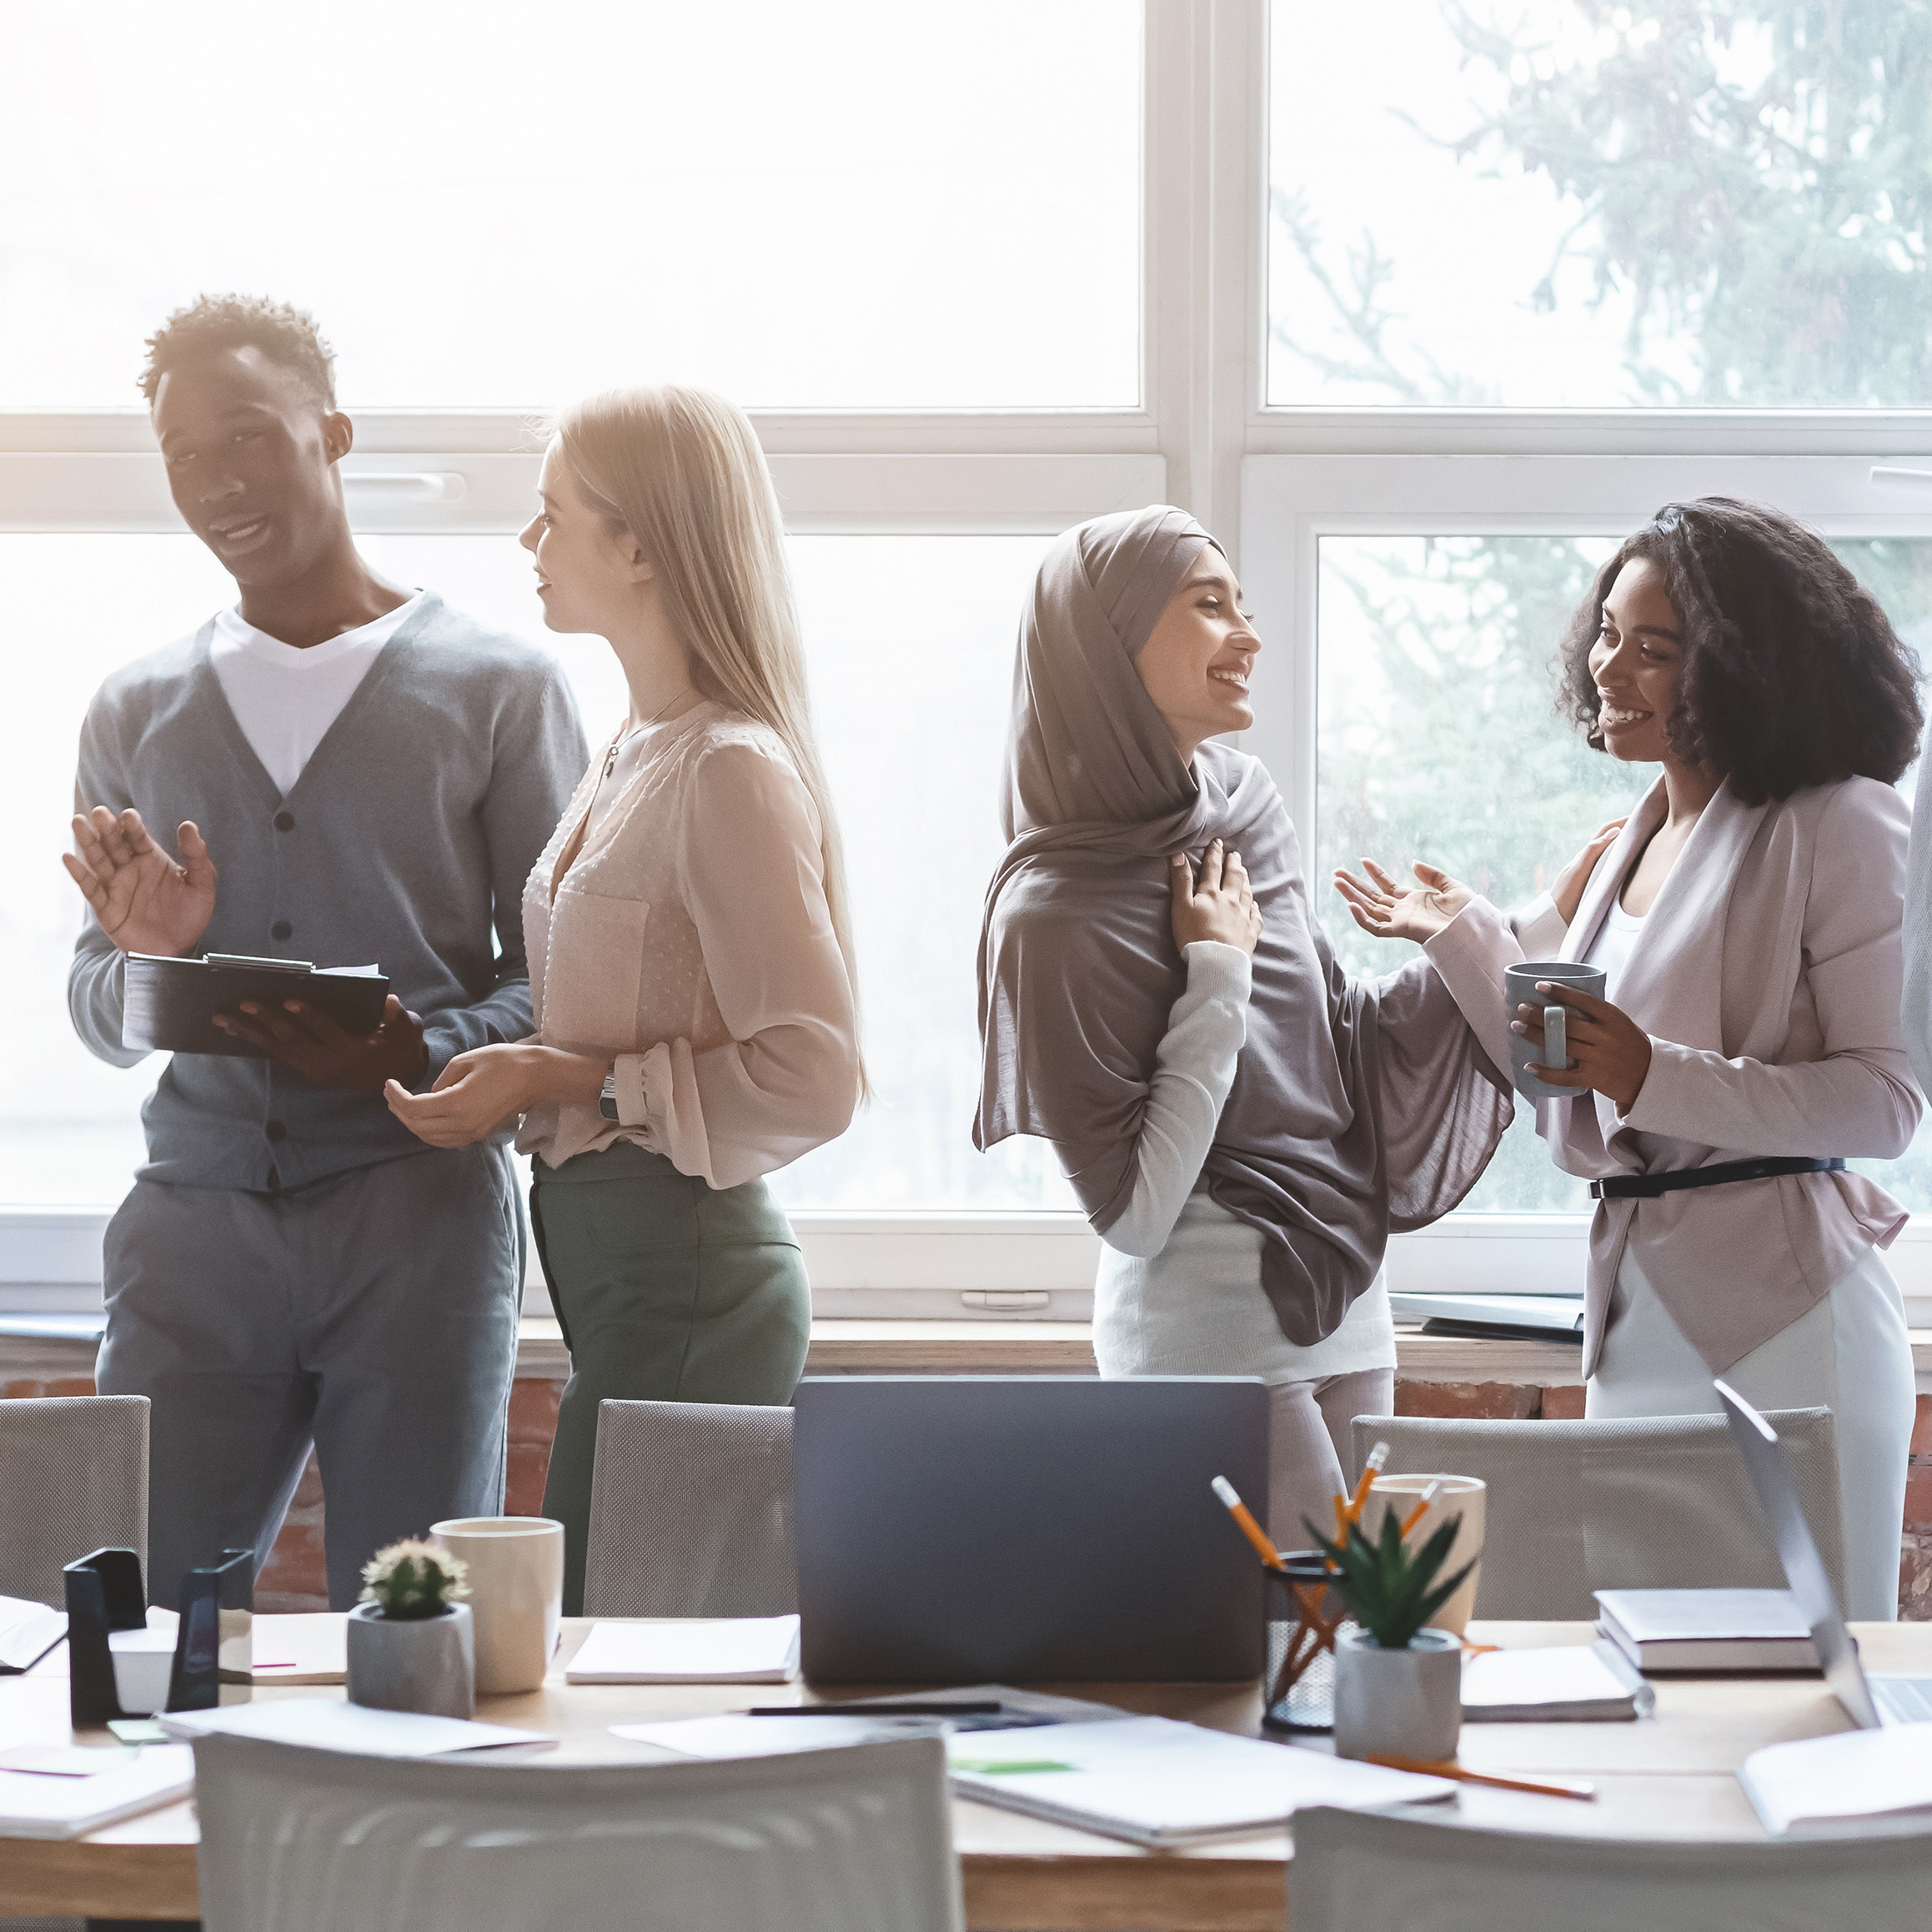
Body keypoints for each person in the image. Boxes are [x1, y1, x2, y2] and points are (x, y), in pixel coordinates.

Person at [64, 295, 586, 1609]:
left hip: (418, 1219)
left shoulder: (497, 687)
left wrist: (424, 1046)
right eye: (186, 453)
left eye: (250, 435)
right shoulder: (135, 707)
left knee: (417, 1633)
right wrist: (147, 963)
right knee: (139, 1640)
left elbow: (563, 981)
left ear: (333, 432)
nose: (220, 480)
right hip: (192, 1229)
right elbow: (92, 1001)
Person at [1342, 498, 1924, 1618]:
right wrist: (1461, 936)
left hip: (1790, 1319)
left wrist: (1647, 1071)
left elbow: (1885, 1103)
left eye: (1654, 649)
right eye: (1607, 631)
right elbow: (1570, 1078)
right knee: (1650, 1669)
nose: (1610, 665)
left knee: (1810, 1686)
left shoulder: (1840, 824)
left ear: (1744, 670)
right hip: (1638, 1309)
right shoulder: (1632, 840)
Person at [386, 384, 861, 1612]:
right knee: (604, 1646)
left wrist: (561, 1076)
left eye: (551, 517)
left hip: (692, 1285)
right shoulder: (633, 747)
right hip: (626, 1288)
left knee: (623, 1660)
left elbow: (813, 1075)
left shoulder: (730, 769)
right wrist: (522, 1079)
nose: (527, 545)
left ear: (637, 543)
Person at [974, 504, 1528, 1548]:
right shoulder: (1051, 910)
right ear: (1108, 640)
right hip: (1209, 1329)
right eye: (1209, 605)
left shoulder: (1242, 798)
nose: (1249, 633)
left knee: (1371, 1645)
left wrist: (1477, 933)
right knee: (1300, 1645)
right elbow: (1136, 1212)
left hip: (1347, 1296)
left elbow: (1330, 1041)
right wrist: (1214, 971)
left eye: (1246, 604)